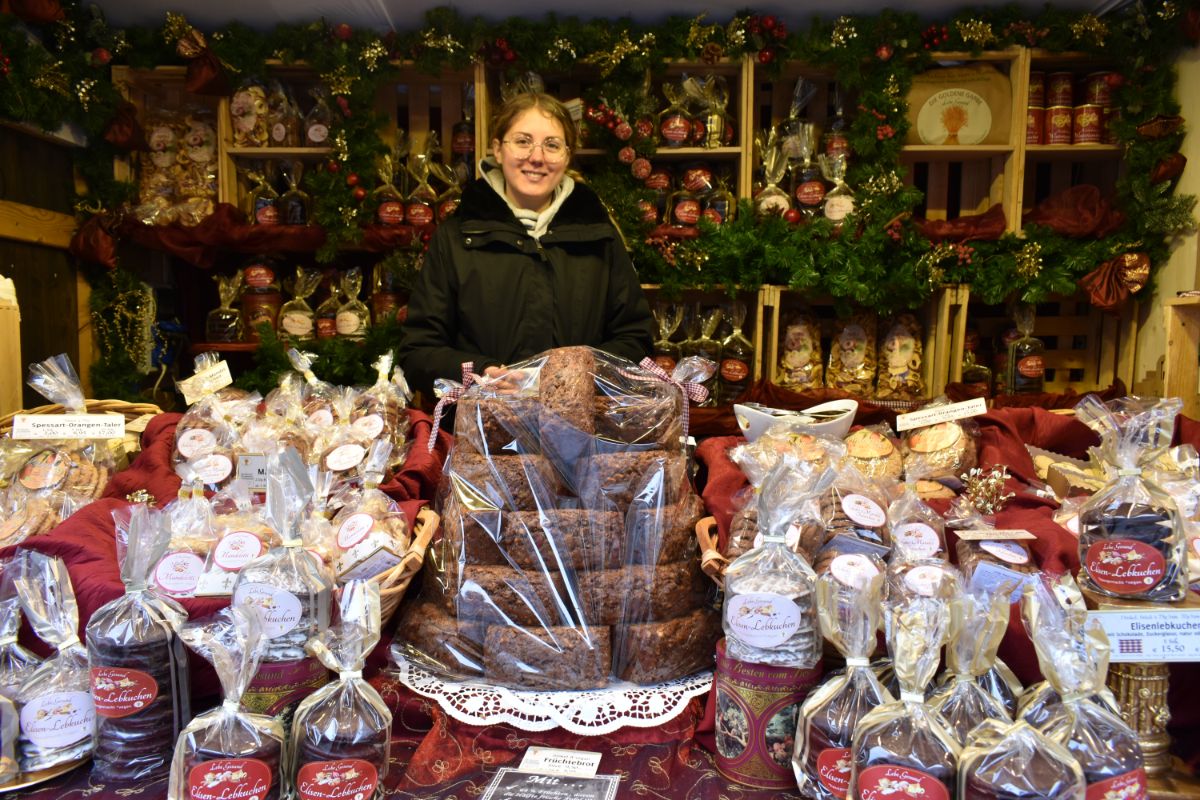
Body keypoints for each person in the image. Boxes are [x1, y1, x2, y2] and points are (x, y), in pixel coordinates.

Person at [398, 92, 654, 396]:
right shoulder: (455, 238)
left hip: (579, 421)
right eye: (522, 141)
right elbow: (418, 352)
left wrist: (579, 374)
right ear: (498, 149)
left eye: (552, 145)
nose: (537, 157)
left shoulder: (601, 237)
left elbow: (636, 340)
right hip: (483, 421)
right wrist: (482, 373)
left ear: (567, 156)